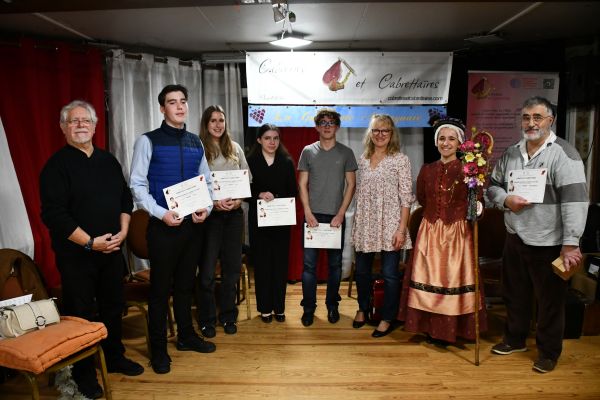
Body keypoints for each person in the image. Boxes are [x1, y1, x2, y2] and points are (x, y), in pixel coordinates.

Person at [40, 100, 144, 399]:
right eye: (74, 121)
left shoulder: (108, 161)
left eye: (86, 120)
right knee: (81, 314)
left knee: (113, 306)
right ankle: (83, 373)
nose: (81, 125)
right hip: (77, 256)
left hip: (111, 251)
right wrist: (89, 242)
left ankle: (114, 357)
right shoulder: (55, 167)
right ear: (63, 127)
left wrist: (123, 233)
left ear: (95, 126)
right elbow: (54, 215)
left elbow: (125, 200)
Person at [487, 96, 588, 373]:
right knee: (514, 294)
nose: (531, 123)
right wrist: (506, 200)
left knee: (550, 302)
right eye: (526, 117)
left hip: (549, 241)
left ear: (550, 121)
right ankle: (514, 339)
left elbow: (576, 201)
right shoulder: (511, 153)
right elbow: (492, 186)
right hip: (515, 237)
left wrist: (571, 243)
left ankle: (548, 353)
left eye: (537, 117)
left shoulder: (565, 155)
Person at [130, 84, 215, 375]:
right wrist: (161, 213)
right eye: (172, 102)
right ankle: (158, 350)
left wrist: (206, 208)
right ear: (162, 108)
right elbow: (137, 185)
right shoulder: (147, 141)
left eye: (182, 101)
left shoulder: (196, 142)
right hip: (162, 228)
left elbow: (206, 182)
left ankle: (186, 336)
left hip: (192, 227)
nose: (179, 106)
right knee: (159, 291)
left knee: (185, 285)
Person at [399, 117, 487, 345]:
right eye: (442, 138)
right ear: (436, 142)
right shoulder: (427, 170)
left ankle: (451, 331)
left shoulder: (469, 170)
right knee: (428, 278)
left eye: (451, 139)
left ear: (459, 143)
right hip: (429, 232)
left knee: (452, 280)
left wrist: (476, 205)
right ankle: (429, 328)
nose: (446, 143)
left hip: (457, 234)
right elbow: (422, 198)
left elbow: (476, 203)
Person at [351, 114, 413, 338]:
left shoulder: (401, 160)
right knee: (362, 271)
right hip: (366, 223)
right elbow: (359, 194)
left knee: (389, 274)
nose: (380, 134)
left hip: (391, 224)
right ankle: (362, 308)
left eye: (385, 130)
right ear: (370, 133)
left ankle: (387, 318)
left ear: (391, 134)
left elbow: (406, 198)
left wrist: (401, 229)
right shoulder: (362, 159)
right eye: (376, 130)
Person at [298, 108, 358, 326]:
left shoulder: (346, 153)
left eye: (331, 122)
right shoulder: (307, 151)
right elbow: (302, 184)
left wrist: (341, 213)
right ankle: (308, 308)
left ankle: (332, 305)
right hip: (312, 217)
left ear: (337, 127)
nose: (327, 126)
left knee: (335, 266)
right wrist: (307, 212)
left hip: (335, 218)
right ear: (316, 127)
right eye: (322, 122)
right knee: (309, 267)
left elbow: (351, 184)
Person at [196, 105, 249, 337]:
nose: (218, 125)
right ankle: (207, 319)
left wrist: (238, 201)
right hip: (211, 218)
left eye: (221, 120)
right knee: (207, 272)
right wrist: (213, 203)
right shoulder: (199, 148)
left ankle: (228, 316)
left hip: (234, 217)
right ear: (206, 124)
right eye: (213, 120)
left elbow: (246, 179)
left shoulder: (235, 148)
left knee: (232, 270)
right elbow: (195, 183)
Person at [246, 124, 297, 323]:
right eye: (267, 138)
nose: (272, 142)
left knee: (280, 266)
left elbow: (293, 191)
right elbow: (244, 191)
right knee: (262, 265)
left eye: (275, 138)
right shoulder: (250, 161)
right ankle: (265, 308)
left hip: (281, 222)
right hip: (259, 223)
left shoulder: (286, 161)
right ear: (259, 140)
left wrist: (277, 196)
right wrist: (259, 194)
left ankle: (279, 308)